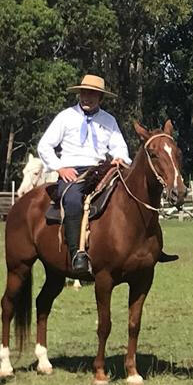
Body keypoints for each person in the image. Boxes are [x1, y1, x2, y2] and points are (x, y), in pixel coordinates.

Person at [37, 74, 130, 274]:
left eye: (93, 94)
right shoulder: (65, 117)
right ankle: (76, 254)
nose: (87, 98)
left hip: (101, 168)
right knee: (72, 200)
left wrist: (120, 158)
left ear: (100, 97)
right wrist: (60, 167)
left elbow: (120, 147)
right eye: (84, 93)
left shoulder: (109, 120)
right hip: (73, 170)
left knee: (127, 196)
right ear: (79, 94)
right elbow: (44, 145)